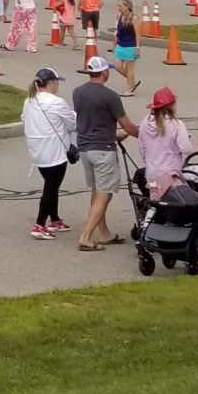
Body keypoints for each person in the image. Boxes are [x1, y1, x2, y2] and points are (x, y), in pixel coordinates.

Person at [71, 55, 136, 250]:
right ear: (105, 73)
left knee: (97, 190)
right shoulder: (110, 96)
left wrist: (114, 135)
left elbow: (92, 121)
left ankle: (104, 232)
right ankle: (86, 236)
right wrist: (144, 134)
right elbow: (127, 125)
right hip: (103, 150)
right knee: (105, 192)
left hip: (85, 148)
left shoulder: (77, 92)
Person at [21, 68, 77, 240]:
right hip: (55, 152)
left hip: (37, 151)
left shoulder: (29, 101)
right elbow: (73, 124)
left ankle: (54, 219)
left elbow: (24, 118)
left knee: (52, 185)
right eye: (57, 82)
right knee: (51, 188)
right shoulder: (57, 102)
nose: (58, 84)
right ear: (51, 83)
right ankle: (40, 224)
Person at [141, 87, 191, 198]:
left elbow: (142, 148)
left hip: (152, 173)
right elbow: (186, 149)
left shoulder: (145, 122)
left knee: (155, 200)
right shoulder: (176, 125)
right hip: (171, 175)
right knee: (172, 204)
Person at [110, 0, 142, 95]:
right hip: (120, 44)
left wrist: (137, 48)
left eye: (120, 6)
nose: (118, 8)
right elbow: (117, 32)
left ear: (127, 7)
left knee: (129, 68)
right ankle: (134, 81)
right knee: (117, 66)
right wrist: (114, 45)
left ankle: (129, 89)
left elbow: (137, 34)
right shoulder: (119, 16)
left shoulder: (134, 18)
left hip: (130, 46)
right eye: (118, 6)